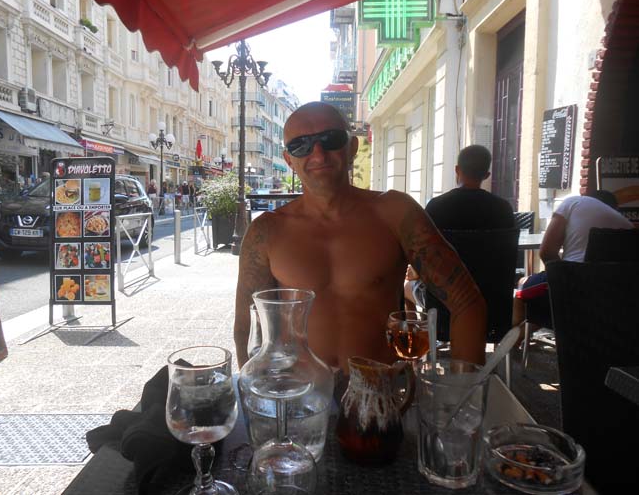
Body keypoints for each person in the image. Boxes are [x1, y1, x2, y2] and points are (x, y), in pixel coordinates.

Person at [234, 101, 487, 373]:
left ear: (352, 147)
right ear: (288, 160)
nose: (318, 153)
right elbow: (246, 326)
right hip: (301, 392)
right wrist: (253, 391)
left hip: (384, 387)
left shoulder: (395, 213)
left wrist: (464, 388)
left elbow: (466, 302)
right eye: (301, 145)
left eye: (330, 139)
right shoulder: (267, 231)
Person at [404, 145, 515, 308]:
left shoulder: (436, 207)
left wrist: (416, 273)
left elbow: (423, 254)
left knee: (406, 286)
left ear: (457, 170)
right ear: (486, 175)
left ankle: (425, 325)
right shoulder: (503, 209)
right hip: (492, 298)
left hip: (444, 301)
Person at [513, 190, 634, 323]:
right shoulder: (629, 226)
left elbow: (547, 252)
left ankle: (515, 335)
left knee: (523, 284)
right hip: (613, 300)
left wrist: (561, 279)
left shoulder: (574, 202)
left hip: (574, 284)